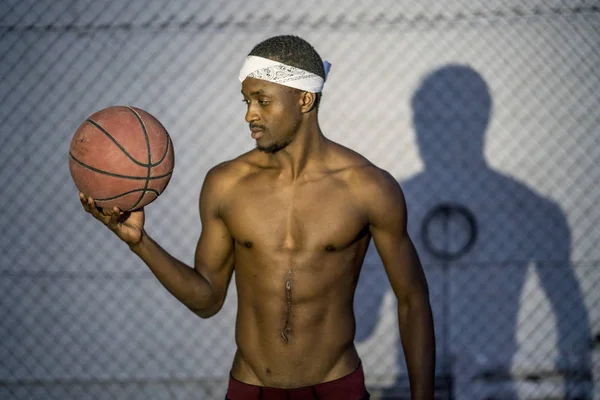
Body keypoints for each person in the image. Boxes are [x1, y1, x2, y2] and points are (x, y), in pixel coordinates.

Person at [79, 35, 435, 400]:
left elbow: (412, 300)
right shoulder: (226, 185)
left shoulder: (368, 187)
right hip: (252, 388)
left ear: (304, 99)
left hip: (335, 386)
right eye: (247, 101)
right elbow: (207, 301)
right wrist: (141, 244)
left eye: (263, 101)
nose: (250, 114)